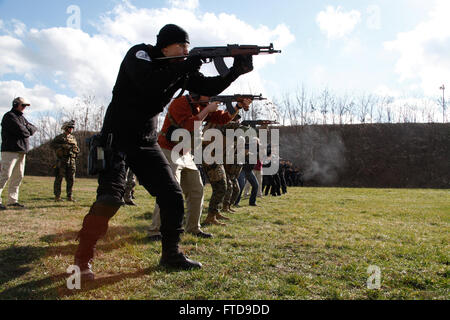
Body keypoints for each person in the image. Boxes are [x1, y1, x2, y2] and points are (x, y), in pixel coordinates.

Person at [73, 24, 253, 279]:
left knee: (172, 195)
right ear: (164, 46)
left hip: (145, 143)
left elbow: (210, 86)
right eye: (180, 46)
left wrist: (236, 70)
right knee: (110, 199)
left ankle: (171, 253)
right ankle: (82, 259)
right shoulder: (141, 55)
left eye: (187, 48)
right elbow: (148, 83)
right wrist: (187, 65)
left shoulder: (178, 70)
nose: (184, 52)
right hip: (117, 140)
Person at [147, 93, 248, 240]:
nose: (211, 98)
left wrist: (237, 106)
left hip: (186, 153)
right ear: (197, 94)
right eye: (209, 95)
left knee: (197, 190)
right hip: (169, 149)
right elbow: (187, 125)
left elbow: (223, 118)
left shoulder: (202, 106)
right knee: (169, 191)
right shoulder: (180, 103)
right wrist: (207, 111)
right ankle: (155, 231)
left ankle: (193, 228)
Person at [0, 97, 37, 210]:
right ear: (16, 104)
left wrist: (27, 128)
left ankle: (12, 200)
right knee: (4, 175)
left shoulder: (21, 117)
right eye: (23, 105)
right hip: (10, 151)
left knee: (18, 176)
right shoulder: (9, 116)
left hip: (21, 151)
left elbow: (34, 128)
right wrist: (27, 129)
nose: (24, 108)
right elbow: (22, 131)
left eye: (25, 106)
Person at [50, 120, 80, 202]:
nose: (71, 129)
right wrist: (62, 146)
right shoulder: (60, 137)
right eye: (70, 127)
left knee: (71, 179)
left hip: (71, 161)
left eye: (72, 128)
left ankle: (69, 196)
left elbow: (76, 148)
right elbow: (52, 145)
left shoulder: (73, 138)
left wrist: (75, 151)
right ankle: (57, 197)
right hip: (62, 161)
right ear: (65, 128)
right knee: (59, 178)